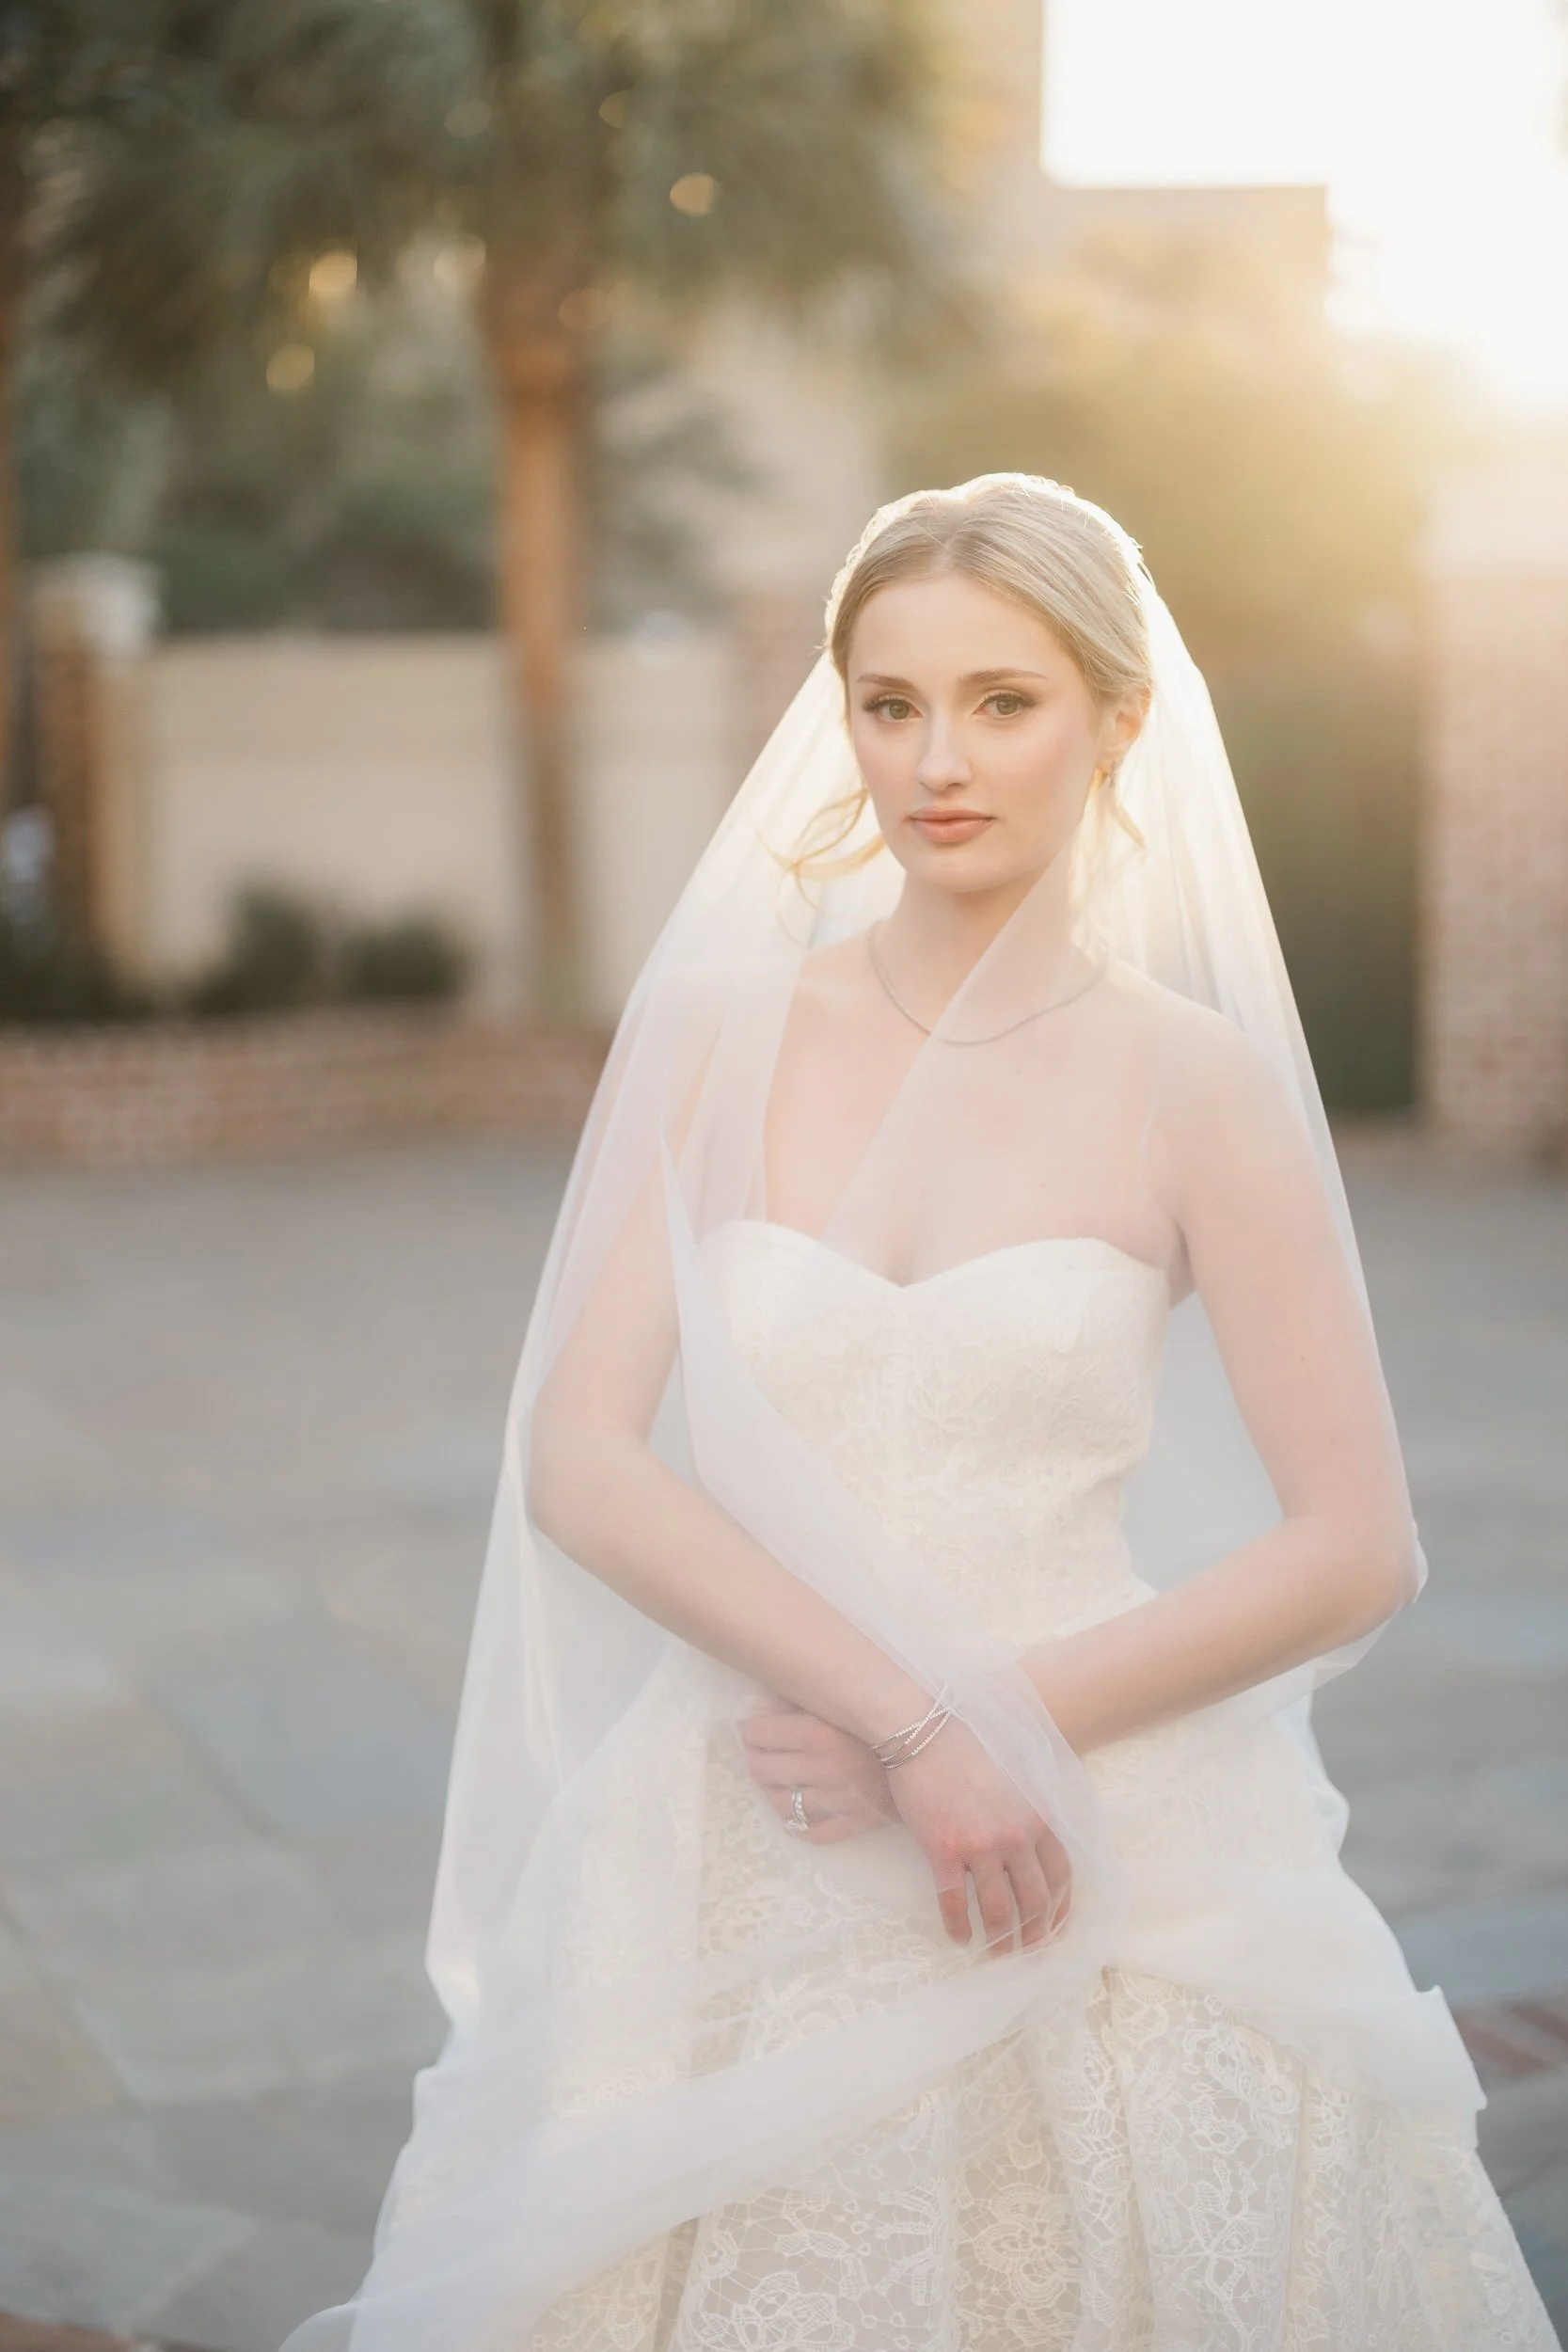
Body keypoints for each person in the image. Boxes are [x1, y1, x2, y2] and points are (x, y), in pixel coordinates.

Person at [282, 476, 1559, 2351]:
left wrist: (990, 1728)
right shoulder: (717, 1030)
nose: (935, 761)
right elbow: (581, 1456)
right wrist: (902, 1717)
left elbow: (1354, 1545)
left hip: (1095, 1799)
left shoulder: (1192, 1085)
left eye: (1000, 701)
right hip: (748, 1785)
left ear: (1114, 722)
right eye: (889, 705)